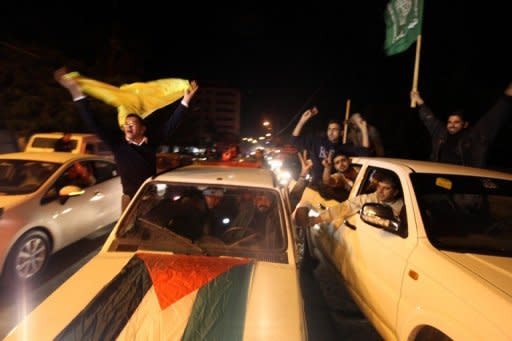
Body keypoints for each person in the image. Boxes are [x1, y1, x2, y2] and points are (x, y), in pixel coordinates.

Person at [55, 68, 199, 211]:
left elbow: (171, 125)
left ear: (142, 129)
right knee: (127, 233)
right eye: (126, 125)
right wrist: (76, 92)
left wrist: (185, 100)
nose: (128, 127)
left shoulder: (151, 143)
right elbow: (93, 122)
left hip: (150, 198)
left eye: (132, 124)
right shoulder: (118, 145)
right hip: (129, 201)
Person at [410, 83, 512, 167]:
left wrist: (507, 97)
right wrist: (419, 100)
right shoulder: (441, 134)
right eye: (449, 122)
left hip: (463, 183)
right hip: (440, 180)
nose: (452, 125)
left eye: (456, 122)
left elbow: (493, 117)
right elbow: (430, 119)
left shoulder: (473, 137)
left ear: (465, 124)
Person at [290, 106, 372, 186]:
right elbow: (294, 141)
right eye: (329, 129)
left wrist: (363, 128)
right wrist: (302, 120)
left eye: (335, 129)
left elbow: (365, 152)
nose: (331, 132)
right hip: (314, 184)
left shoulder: (342, 148)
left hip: (332, 185)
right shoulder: (317, 141)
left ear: (341, 133)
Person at [305, 169, 403, 229]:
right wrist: (318, 219)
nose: (380, 191)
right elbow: (346, 206)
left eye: (386, 188)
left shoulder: (404, 207)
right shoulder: (370, 198)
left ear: (395, 192)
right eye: (379, 186)